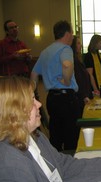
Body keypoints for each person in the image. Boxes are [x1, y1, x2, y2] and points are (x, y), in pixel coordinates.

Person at [31, 20, 80, 152]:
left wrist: (32, 94)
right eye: (72, 33)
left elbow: (34, 74)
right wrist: (67, 81)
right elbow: (67, 65)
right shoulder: (65, 48)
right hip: (67, 98)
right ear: (68, 34)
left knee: (56, 133)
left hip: (52, 98)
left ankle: (56, 164)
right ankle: (70, 164)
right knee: (71, 135)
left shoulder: (45, 51)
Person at [71, 35, 93, 115]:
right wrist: (84, 96)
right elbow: (78, 80)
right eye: (78, 43)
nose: (80, 45)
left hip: (84, 94)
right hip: (80, 97)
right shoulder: (74, 61)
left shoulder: (78, 59)